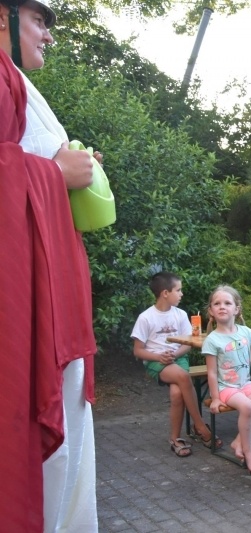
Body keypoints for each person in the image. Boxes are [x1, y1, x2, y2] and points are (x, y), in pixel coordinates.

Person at [1, 2, 98, 530]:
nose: (48, 36)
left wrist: (68, 171)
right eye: (40, 20)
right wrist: (52, 174)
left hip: (54, 303)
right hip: (25, 315)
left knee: (66, 462)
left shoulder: (14, 79)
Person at [131, 272, 222, 456]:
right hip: (156, 362)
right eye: (178, 290)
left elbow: (187, 346)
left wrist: (174, 354)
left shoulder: (180, 315)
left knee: (176, 392)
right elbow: (138, 351)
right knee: (182, 376)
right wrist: (159, 358)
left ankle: (175, 439)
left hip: (178, 358)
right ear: (165, 293)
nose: (181, 294)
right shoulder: (146, 317)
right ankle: (200, 426)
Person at [201, 285, 251, 474]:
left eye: (227, 303)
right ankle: (249, 451)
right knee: (247, 407)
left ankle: (238, 441)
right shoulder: (212, 340)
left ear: (236, 309)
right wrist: (216, 398)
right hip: (225, 387)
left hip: (245, 383)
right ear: (211, 311)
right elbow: (211, 373)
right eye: (217, 303)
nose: (222, 306)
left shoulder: (246, 332)